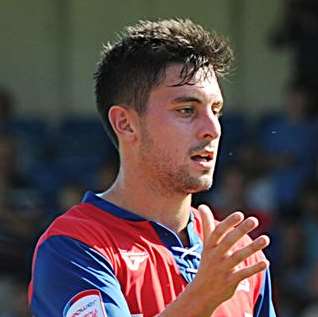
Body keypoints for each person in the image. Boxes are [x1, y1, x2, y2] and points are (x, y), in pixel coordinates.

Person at [28, 18, 276, 316]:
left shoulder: (238, 255)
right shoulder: (73, 246)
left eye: (216, 111)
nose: (212, 129)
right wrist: (202, 297)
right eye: (187, 110)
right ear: (126, 123)